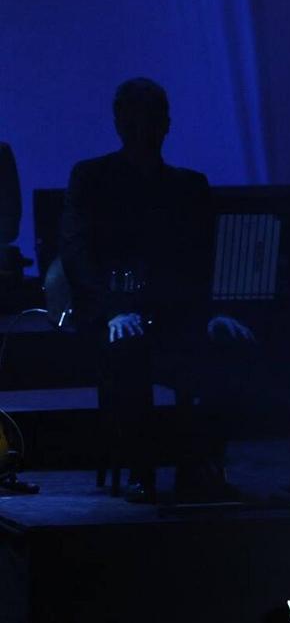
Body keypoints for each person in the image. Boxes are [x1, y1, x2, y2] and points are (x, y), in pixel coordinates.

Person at [59, 78, 254, 501]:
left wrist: (214, 311)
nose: (144, 129)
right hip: (112, 313)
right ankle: (141, 467)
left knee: (230, 346)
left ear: (166, 124)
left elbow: (204, 258)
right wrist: (113, 310)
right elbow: (76, 252)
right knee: (128, 345)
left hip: (176, 314)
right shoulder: (92, 178)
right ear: (120, 124)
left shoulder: (188, 187)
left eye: (151, 120)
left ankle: (200, 463)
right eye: (135, 120)